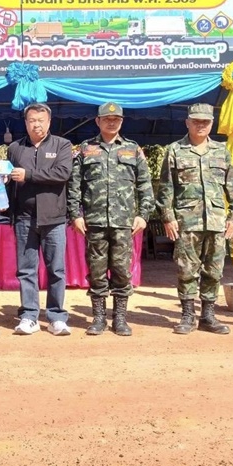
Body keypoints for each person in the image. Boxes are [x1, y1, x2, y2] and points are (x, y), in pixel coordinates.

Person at [67, 102, 155, 337]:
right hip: (94, 222)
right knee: (96, 271)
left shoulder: (133, 150)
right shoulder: (85, 149)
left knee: (122, 271)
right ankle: (98, 318)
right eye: (107, 118)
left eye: (116, 119)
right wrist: (75, 215)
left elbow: (145, 185)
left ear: (122, 121)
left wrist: (144, 215)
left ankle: (120, 318)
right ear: (98, 121)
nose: (111, 122)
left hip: (123, 223)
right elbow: (74, 186)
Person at [157, 103, 233, 336]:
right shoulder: (175, 150)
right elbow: (166, 188)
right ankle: (187, 315)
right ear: (187, 122)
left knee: (214, 270)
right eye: (196, 121)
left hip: (216, 222)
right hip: (187, 221)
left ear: (211, 123)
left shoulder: (221, 151)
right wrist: (168, 217)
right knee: (186, 269)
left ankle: (208, 316)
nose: (200, 125)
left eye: (205, 121)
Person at [7, 103, 74, 336]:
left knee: (56, 269)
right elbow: (10, 183)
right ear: (25, 123)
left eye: (41, 120)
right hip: (24, 218)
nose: (36, 124)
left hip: (54, 218)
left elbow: (62, 173)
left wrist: (29, 175)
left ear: (49, 122)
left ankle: (56, 317)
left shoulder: (62, 145)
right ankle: (29, 316)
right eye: (32, 120)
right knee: (26, 270)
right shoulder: (15, 148)